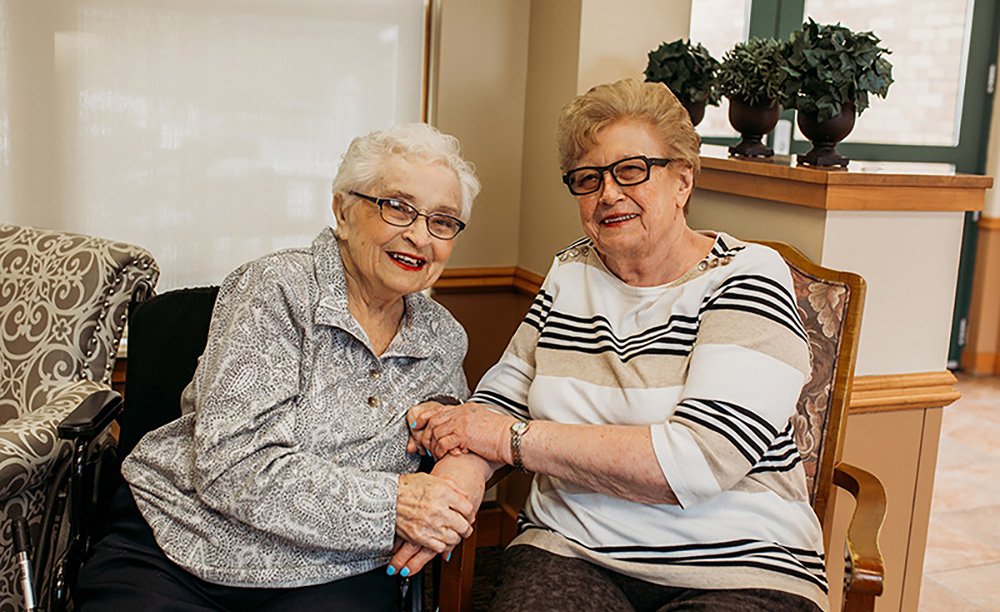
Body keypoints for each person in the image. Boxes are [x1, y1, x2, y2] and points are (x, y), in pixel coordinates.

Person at [407, 79, 828, 612]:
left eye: (631, 171)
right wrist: (450, 491)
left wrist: (511, 441)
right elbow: (500, 401)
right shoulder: (571, 271)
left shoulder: (746, 276)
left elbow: (695, 463)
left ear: (683, 180)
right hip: (571, 548)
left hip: (739, 563)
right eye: (588, 179)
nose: (608, 193)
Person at [76, 123, 493, 612]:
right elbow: (231, 465)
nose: (420, 236)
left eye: (442, 221)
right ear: (343, 210)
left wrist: (452, 469)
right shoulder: (273, 290)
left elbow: (451, 438)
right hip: (186, 540)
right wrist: (394, 504)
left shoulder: (442, 338)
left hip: (333, 568)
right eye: (398, 207)